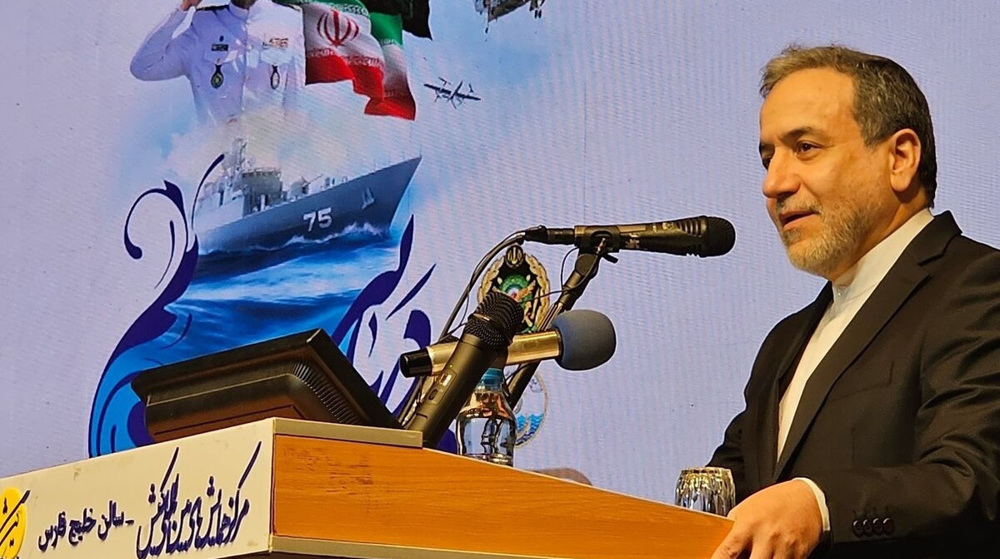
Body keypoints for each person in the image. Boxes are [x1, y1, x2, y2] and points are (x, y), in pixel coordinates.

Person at [708, 45, 1000, 559]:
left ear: (900, 158)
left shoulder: (979, 288)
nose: (773, 183)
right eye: (767, 156)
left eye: (805, 148)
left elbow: (971, 480)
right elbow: (724, 497)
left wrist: (819, 506)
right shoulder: (784, 342)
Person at [130, 0, 305, 126]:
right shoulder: (204, 24)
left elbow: (294, 100)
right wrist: (182, 9)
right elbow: (144, 68)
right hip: (215, 163)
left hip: (269, 161)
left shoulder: (289, 19)